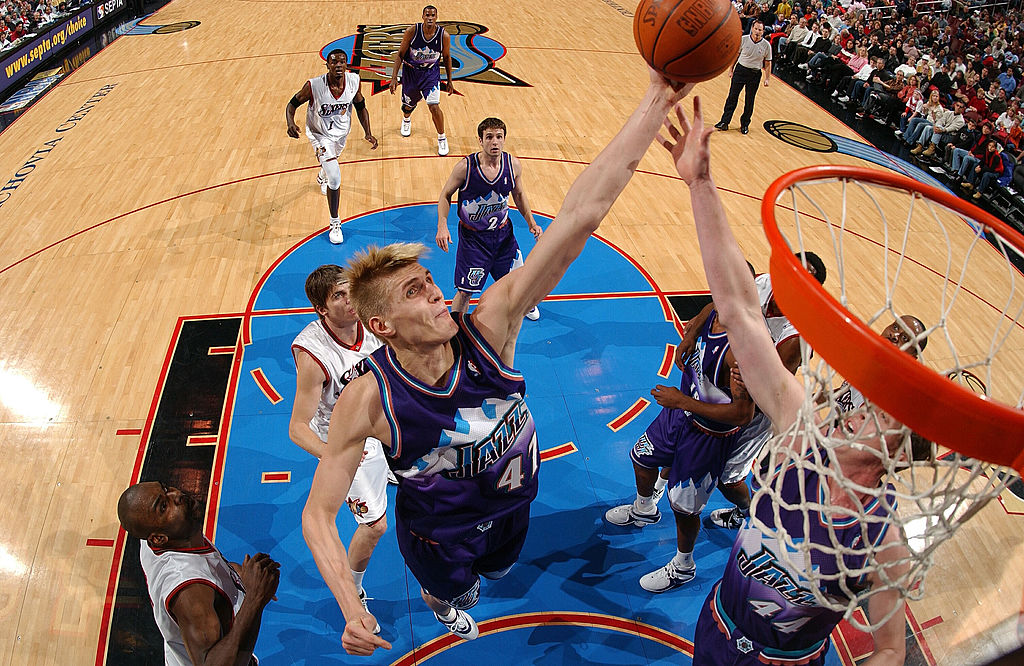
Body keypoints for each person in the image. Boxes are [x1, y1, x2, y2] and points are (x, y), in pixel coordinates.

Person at [301, 72, 693, 656]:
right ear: (380, 326)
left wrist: (656, 100)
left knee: (503, 566)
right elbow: (318, 515)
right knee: (449, 596)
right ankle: (444, 604)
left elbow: (579, 217)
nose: (436, 293)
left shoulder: (489, 325)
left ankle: (475, 580)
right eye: (414, 291)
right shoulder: (369, 396)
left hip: (515, 507)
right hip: (439, 538)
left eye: (430, 281)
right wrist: (350, 603)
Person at [661, 95, 910, 666]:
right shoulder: (804, 431)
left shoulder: (884, 541)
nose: (852, 408)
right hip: (718, 625)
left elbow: (891, 650)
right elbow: (741, 309)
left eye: (874, 411)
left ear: (900, 447)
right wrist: (700, 184)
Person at [604, 294, 756, 592]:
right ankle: (644, 508)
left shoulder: (741, 350)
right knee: (641, 456)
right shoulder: (716, 308)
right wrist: (691, 334)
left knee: (685, 508)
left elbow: (742, 414)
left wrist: (681, 399)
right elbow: (709, 308)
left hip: (708, 436)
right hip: (680, 415)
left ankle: (684, 566)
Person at [288, 265, 389, 632]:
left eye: (350, 291)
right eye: (338, 296)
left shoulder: (373, 316)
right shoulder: (314, 355)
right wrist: (334, 455)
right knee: (375, 526)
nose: (350, 301)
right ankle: (354, 587)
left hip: (384, 421)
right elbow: (298, 427)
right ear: (322, 310)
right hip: (347, 439)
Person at [117, 482, 280, 666]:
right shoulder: (190, 591)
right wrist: (255, 598)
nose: (176, 494)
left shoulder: (164, 536)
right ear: (158, 538)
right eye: (164, 506)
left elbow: (208, 565)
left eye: (166, 489)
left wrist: (244, 575)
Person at [435, 117, 543, 319]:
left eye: (499, 137)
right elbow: (445, 195)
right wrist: (442, 225)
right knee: (465, 290)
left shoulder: (513, 165)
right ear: (480, 140)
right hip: (474, 240)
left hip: (503, 235)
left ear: (504, 139)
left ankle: (524, 304)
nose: (495, 142)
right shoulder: (466, 168)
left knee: (519, 280)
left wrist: (532, 223)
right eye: (489, 137)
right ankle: (457, 329)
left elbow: (518, 195)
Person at [286, 49, 378, 245]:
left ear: (346, 65)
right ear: (327, 65)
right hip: (319, 135)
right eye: (334, 62)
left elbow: (361, 106)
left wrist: (368, 132)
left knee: (330, 165)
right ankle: (335, 223)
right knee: (335, 177)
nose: (338, 65)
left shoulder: (354, 81)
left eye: (342, 62)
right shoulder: (314, 85)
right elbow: (292, 104)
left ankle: (321, 174)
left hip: (340, 135)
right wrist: (290, 123)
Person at [389, 5, 455, 156]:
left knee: (434, 106)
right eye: (427, 15)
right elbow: (400, 54)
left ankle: (442, 137)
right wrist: (394, 78)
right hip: (411, 72)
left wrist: (450, 80)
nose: (430, 18)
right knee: (407, 106)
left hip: (430, 74)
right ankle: (406, 119)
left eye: (433, 15)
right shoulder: (412, 31)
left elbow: (446, 57)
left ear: (436, 17)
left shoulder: (443, 36)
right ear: (423, 16)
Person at [715, 20, 772, 135]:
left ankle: (745, 124)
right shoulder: (743, 39)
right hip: (740, 70)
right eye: (756, 29)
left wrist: (767, 78)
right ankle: (724, 122)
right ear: (752, 28)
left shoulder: (766, 45)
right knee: (732, 97)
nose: (757, 32)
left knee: (749, 100)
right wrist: (731, 69)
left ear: (763, 31)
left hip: (755, 74)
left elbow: (768, 62)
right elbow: (736, 54)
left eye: (760, 30)